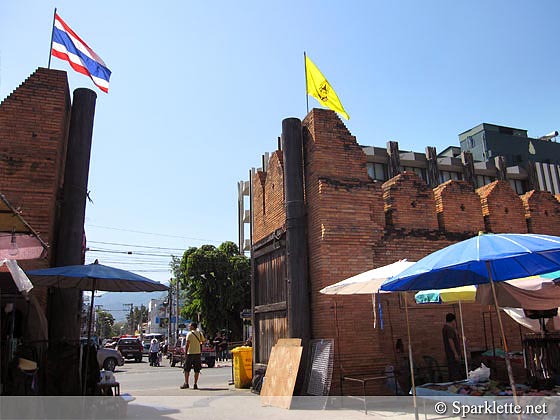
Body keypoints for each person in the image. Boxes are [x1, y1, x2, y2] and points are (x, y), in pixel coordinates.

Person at [180, 322, 205, 389]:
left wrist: (185, 353)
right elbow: (203, 341)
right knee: (197, 370)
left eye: (190, 326)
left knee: (186, 369)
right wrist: (198, 344)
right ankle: (195, 384)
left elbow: (187, 344)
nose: (189, 327)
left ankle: (186, 383)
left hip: (190, 353)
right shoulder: (200, 333)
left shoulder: (189, 334)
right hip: (198, 353)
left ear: (193, 327)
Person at [442, 313, 462, 381]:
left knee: (452, 370)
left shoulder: (445, 328)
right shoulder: (449, 329)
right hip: (452, 354)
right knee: (455, 371)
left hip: (449, 353)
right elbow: (451, 341)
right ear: (453, 320)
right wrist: (455, 353)